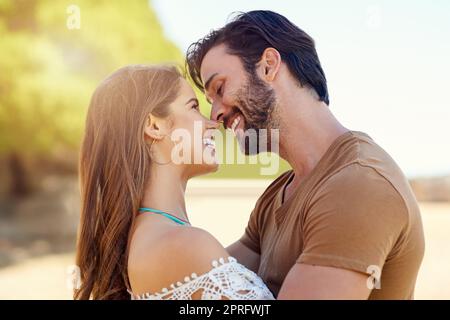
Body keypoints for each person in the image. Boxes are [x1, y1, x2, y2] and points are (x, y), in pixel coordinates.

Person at [186, 10, 425, 299]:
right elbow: (202, 287)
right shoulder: (278, 195)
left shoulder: (359, 183)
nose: (216, 113)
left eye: (220, 88)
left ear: (269, 66)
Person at [74, 65, 274, 300]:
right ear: (155, 126)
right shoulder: (184, 245)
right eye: (194, 107)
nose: (213, 123)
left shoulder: (147, 237)